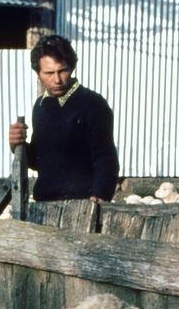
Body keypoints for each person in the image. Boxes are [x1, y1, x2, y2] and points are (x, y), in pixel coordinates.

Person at [8, 35, 119, 203]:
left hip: (81, 206)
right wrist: (17, 144)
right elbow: (41, 161)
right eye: (49, 73)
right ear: (38, 73)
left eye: (62, 71)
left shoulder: (93, 104)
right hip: (43, 206)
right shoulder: (41, 106)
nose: (57, 80)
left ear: (72, 68)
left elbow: (105, 159)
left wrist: (101, 198)